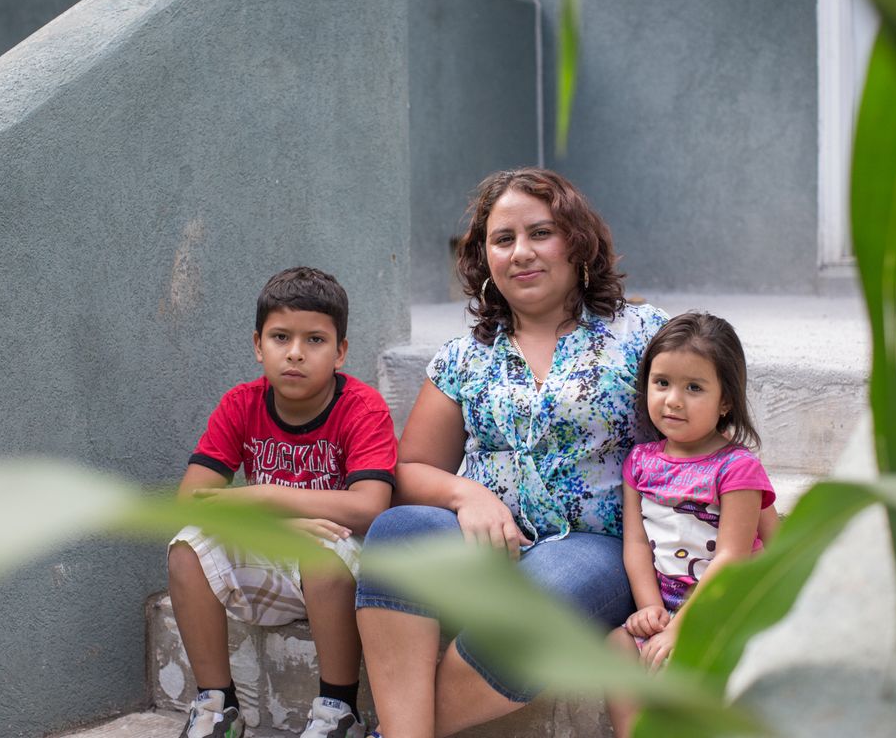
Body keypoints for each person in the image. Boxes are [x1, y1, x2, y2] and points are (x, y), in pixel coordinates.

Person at [354, 168, 669, 738]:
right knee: (397, 533)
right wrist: (466, 495)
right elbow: (410, 469)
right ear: (485, 260)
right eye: (503, 240)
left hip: (595, 547)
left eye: (540, 233)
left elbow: (700, 438)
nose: (521, 253)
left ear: (577, 242)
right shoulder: (466, 356)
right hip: (483, 541)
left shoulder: (642, 336)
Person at [167, 267, 396, 738]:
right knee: (186, 548)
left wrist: (266, 495)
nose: (295, 353)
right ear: (258, 346)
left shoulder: (362, 407)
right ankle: (217, 707)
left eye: (315, 339)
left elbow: (370, 507)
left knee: (322, 554)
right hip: (272, 552)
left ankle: (338, 711)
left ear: (341, 352)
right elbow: (191, 500)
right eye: (280, 337)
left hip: (337, 564)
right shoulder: (241, 404)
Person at [607, 312, 775, 737]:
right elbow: (637, 544)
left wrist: (683, 628)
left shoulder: (735, 468)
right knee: (616, 646)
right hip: (667, 607)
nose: (673, 400)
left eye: (694, 388)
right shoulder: (640, 463)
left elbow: (734, 557)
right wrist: (650, 610)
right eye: (662, 383)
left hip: (722, 609)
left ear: (725, 401)